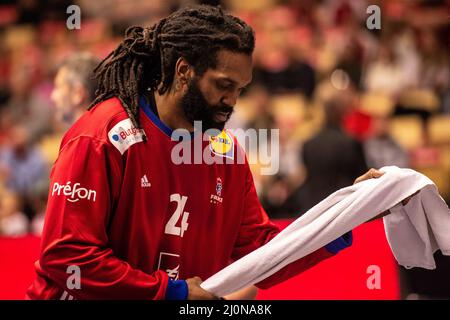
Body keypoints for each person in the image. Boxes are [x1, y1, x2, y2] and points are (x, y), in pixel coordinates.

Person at [26, 5, 405, 300]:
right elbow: (68, 255)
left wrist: (345, 215)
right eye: (224, 85)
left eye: (241, 88)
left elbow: (259, 253)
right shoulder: (101, 137)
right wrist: (168, 291)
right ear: (184, 71)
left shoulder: (224, 153)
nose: (232, 101)